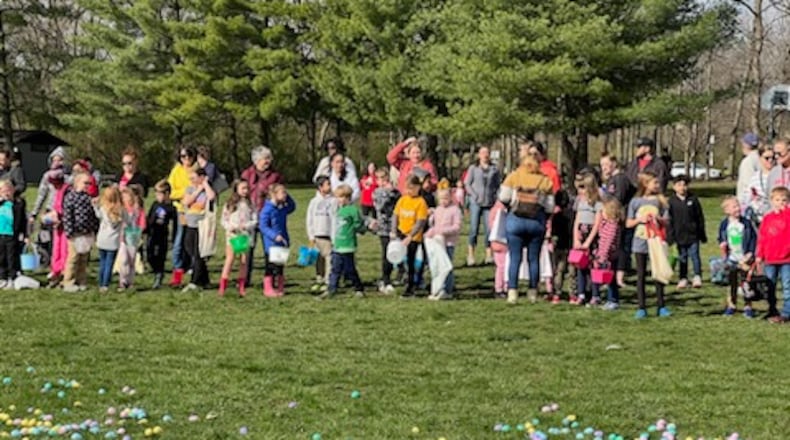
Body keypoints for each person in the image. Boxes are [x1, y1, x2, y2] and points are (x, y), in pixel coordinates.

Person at [498, 154, 555, 304]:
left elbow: (503, 197)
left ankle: (512, 292)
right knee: (533, 259)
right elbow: (550, 206)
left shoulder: (514, 176)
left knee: (515, 258)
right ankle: (532, 293)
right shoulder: (545, 181)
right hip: (536, 223)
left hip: (515, 221)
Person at [626, 172, 670, 319]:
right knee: (641, 275)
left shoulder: (660, 201)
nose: (657, 185)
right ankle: (641, 307)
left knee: (658, 273)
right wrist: (640, 220)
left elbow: (667, 221)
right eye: (654, 183)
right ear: (645, 184)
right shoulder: (635, 202)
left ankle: (661, 305)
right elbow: (628, 223)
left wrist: (659, 220)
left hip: (656, 241)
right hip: (640, 242)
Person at [241, 145, 284, 285]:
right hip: (250, 215)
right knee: (247, 249)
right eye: (265, 158)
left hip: (269, 216)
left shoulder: (275, 176)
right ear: (256, 160)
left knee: (272, 248)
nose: (268, 161)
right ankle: (244, 279)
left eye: (269, 158)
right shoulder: (247, 174)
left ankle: (273, 277)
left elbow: (281, 194)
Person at [319, 184, 367, 299]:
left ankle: (358, 288)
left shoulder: (353, 210)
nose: (338, 200)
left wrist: (361, 228)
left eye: (341, 197)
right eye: (337, 197)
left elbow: (358, 224)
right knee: (335, 268)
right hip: (338, 244)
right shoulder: (339, 210)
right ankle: (332, 289)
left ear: (347, 198)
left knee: (350, 269)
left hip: (348, 245)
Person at [718, 196, 757, 317]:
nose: (738, 208)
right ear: (727, 211)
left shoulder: (746, 223)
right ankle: (731, 305)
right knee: (732, 283)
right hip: (732, 259)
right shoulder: (725, 224)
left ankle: (748, 306)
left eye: (738, 205)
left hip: (745, 258)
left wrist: (750, 253)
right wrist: (722, 244)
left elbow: (753, 239)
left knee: (746, 283)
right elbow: (721, 237)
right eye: (734, 207)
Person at [392, 175, 430, 298]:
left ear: (418, 187)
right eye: (407, 188)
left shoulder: (421, 202)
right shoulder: (403, 200)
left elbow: (420, 222)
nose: (409, 191)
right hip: (401, 234)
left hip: (413, 237)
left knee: (411, 261)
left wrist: (411, 236)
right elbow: (395, 216)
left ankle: (411, 286)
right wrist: (393, 230)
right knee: (400, 260)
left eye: (412, 188)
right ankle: (406, 280)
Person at [755, 187, 789, 321]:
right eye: (777, 200)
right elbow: (762, 238)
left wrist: (785, 211)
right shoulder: (768, 218)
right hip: (770, 258)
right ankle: (772, 309)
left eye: (784, 200)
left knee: (787, 286)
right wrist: (759, 255)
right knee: (770, 285)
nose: (780, 202)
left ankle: (787, 312)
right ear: (772, 201)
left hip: (787, 258)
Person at [463, 146, 501, 266]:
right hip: (476, 202)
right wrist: (474, 196)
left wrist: (496, 198)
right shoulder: (473, 169)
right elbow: (467, 183)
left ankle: (489, 255)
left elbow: (497, 185)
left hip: (489, 203)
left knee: (489, 230)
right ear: (479, 155)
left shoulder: (494, 169)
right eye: (483, 152)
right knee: (474, 228)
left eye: (487, 152)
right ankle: (471, 255)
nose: (485, 155)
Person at [61, 173, 99, 293]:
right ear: (77, 183)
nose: (87, 185)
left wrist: (95, 230)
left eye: (89, 183)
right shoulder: (71, 197)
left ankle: (81, 280)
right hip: (75, 233)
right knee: (73, 258)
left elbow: (93, 216)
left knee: (84, 259)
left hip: (87, 232)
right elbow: (67, 216)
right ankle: (68, 281)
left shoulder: (89, 198)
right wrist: (69, 232)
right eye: (85, 183)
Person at [667, 175, 707, 289]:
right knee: (682, 257)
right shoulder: (671, 202)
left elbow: (700, 217)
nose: (682, 188)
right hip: (679, 235)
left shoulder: (693, 200)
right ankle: (683, 278)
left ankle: (697, 276)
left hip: (693, 235)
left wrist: (702, 234)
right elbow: (669, 221)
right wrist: (671, 237)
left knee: (695, 255)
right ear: (674, 187)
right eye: (679, 185)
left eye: (684, 185)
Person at [219, 180, 257, 297]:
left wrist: (246, 226)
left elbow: (255, 220)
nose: (245, 191)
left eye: (247, 188)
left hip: (245, 235)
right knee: (230, 259)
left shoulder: (250, 204)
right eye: (243, 188)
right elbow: (223, 220)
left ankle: (241, 286)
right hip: (233, 236)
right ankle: (223, 286)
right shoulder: (230, 204)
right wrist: (230, 227)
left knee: (243, 261)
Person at [181, 168, 216, 292]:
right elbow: (187, 201)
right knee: (189, 248)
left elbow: (212, 197)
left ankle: (194, 281)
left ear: (201, 177)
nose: (191, 181)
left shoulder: (207, 190)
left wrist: (205, 184)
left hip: (202, 225)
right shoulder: (190, 189)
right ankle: (205, 279)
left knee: (198, 253)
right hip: (190, 224)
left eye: (194, 178)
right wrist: (198, 190)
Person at [167, 146, 197, 287]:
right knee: (179, 239)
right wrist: (185, 193)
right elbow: (171, 192)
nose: (186, 159)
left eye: (188, 156)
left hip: (197, 210)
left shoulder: (197, 169)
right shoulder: (176, 171)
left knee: (193, 240)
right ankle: (178, 268)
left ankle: (192, 265)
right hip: (182, 210)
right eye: (183, 156)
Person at [571, 172, 603, 306]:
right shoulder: (580, 201)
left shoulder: (597, 203)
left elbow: (597, 224)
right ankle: (581, 293)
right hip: (581, 235)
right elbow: (577, 221)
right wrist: (576, 239)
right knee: (580, 266)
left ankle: (595, 294)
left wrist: (589, 241)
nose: (581, 191)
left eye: (583, 187)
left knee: (593, 266)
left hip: (592, 237)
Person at [259, 184, 295, 297]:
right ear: (274, 195)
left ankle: (280, 287)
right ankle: (268, 288)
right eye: (282, 193)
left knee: (280, 266)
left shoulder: (282, 208)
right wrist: (274, 236)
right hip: (271, 243)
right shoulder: (267, 209)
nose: (285, 195)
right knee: (270, 266)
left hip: (282, 241)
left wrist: (286, 196)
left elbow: (292, 207)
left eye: (285, 192)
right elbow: (263, 226)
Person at [425, 188, 462, 300]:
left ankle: (448, 289)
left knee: (447, 265)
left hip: (449, 242)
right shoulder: (438, 209)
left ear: (451, 197)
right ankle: (438, 288)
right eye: (441, 198)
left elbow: (457, 227)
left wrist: (443, 231)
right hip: (437, 242)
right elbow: (434, 225)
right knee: (438, 265)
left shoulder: (455, 210)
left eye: (446, 198)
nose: (443, 201)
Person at [373, 168, 401, 294]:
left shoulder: (395, 192)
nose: (383, 181)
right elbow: (380, 206)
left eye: (385, 178)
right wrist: (387, 192)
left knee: (398, 252)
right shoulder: (377, 193)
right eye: (380, 179)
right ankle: (386, 279)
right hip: (384, 229)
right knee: (386, 254)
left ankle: (400, 274)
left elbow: (399, 202)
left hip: (395, 227)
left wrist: (393, 192)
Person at [145, 180, 177, 290]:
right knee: (149, 255)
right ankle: (156, 270)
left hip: (162, 234)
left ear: (167, 193)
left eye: (160, 193)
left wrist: (173, 238)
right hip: (151, 234)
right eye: (156, 193)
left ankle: (159, 275)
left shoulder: (171, 208)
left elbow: (175, 223)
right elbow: (149, 218)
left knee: (160, 256)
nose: (157, 196)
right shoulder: (155, 204)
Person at [306, 176, 335, 291]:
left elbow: (334, 218)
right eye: (327, 184)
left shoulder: (333, 201)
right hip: (317, 235)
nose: (330, 186)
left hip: (328, 235)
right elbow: (309, 219)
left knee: (329, 258)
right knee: (318, 258)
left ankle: (328, 280)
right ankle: (319, 278)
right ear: (320, 187)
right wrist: (311, 235)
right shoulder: (314, 202)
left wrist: (333, 235)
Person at [595, 198, 623, 310]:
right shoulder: (607, 224)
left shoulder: (613, 226)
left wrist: (603, 256)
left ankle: (613, 300)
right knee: (608, 279)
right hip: (604, 254)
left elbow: (609, 241)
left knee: (611, 279)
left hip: (609, 256)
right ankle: (609, 299)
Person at [117, 186, 146, 291]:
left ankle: (130, 281)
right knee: (123, 259)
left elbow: (142, 222)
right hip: (122, 237)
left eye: (127, 196)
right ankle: (122, 280)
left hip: (133, 236)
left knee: (131, 259)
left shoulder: (137, 210)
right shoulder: (120, 209)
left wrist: (140, 231)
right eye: (123, 197)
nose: (126, 199)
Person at [30, 146, 67, 225]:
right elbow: (41, 195)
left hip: (65, 210)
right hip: (50, 208)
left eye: (60, 160)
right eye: (54, 160)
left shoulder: (69, 177)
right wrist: (34, 213)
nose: (57, 162)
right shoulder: (47, 176)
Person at [96, 186, 123, 293]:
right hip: (113, 241)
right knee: (109, 263)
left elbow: (97, 215)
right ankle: (105, 284)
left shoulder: (103, 209)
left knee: (102, 262)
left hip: (102, 239)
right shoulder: (120, 210)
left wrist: (95, 205)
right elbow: (128, 220)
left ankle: (101, 283)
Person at [46, 168, 69, 288]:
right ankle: (55, 270)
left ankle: (64, 272)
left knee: (64, 249)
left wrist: (61, 218)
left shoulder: (66, 191)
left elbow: (67, 209)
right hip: (57, 225)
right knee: (56, 248)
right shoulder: (58, 191)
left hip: (65, 225)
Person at [549, 189, 573, 303]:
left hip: (560, 246)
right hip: (571, 245)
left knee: (558, 270)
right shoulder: (573, 214)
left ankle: (556, 293)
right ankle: (573, 293)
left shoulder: (556, 216)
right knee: (572, 271)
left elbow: (554, 233)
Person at [0, 180, 24, 287]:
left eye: (9, 190)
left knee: (11, 256)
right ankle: (2, 276)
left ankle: (12, 276)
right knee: (1, 257)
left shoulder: (18, 203)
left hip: (11, 234)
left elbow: (23, 220)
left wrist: (24, 233)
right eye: (3, 191)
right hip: (1, 234)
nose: (6, 193)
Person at [746, 145, 775, 224]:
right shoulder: (754, 178)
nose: (770, 160)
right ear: (760, 158)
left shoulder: (780, 175)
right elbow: (747, 199)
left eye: (773, 158)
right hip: (759, 220)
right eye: (767, 158)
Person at [488, 201, 508, 299]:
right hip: (503, 241)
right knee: (503, 266)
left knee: (500, 266)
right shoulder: (505, 210)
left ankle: (501, 287)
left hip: (496, 241)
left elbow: (490, 225)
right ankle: (501, 287)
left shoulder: (494, 209)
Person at [736, 133, 761, 211]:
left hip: (749, 203)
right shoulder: (762, 158)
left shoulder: (748, 161)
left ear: (746, 145)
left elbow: (748, 183)